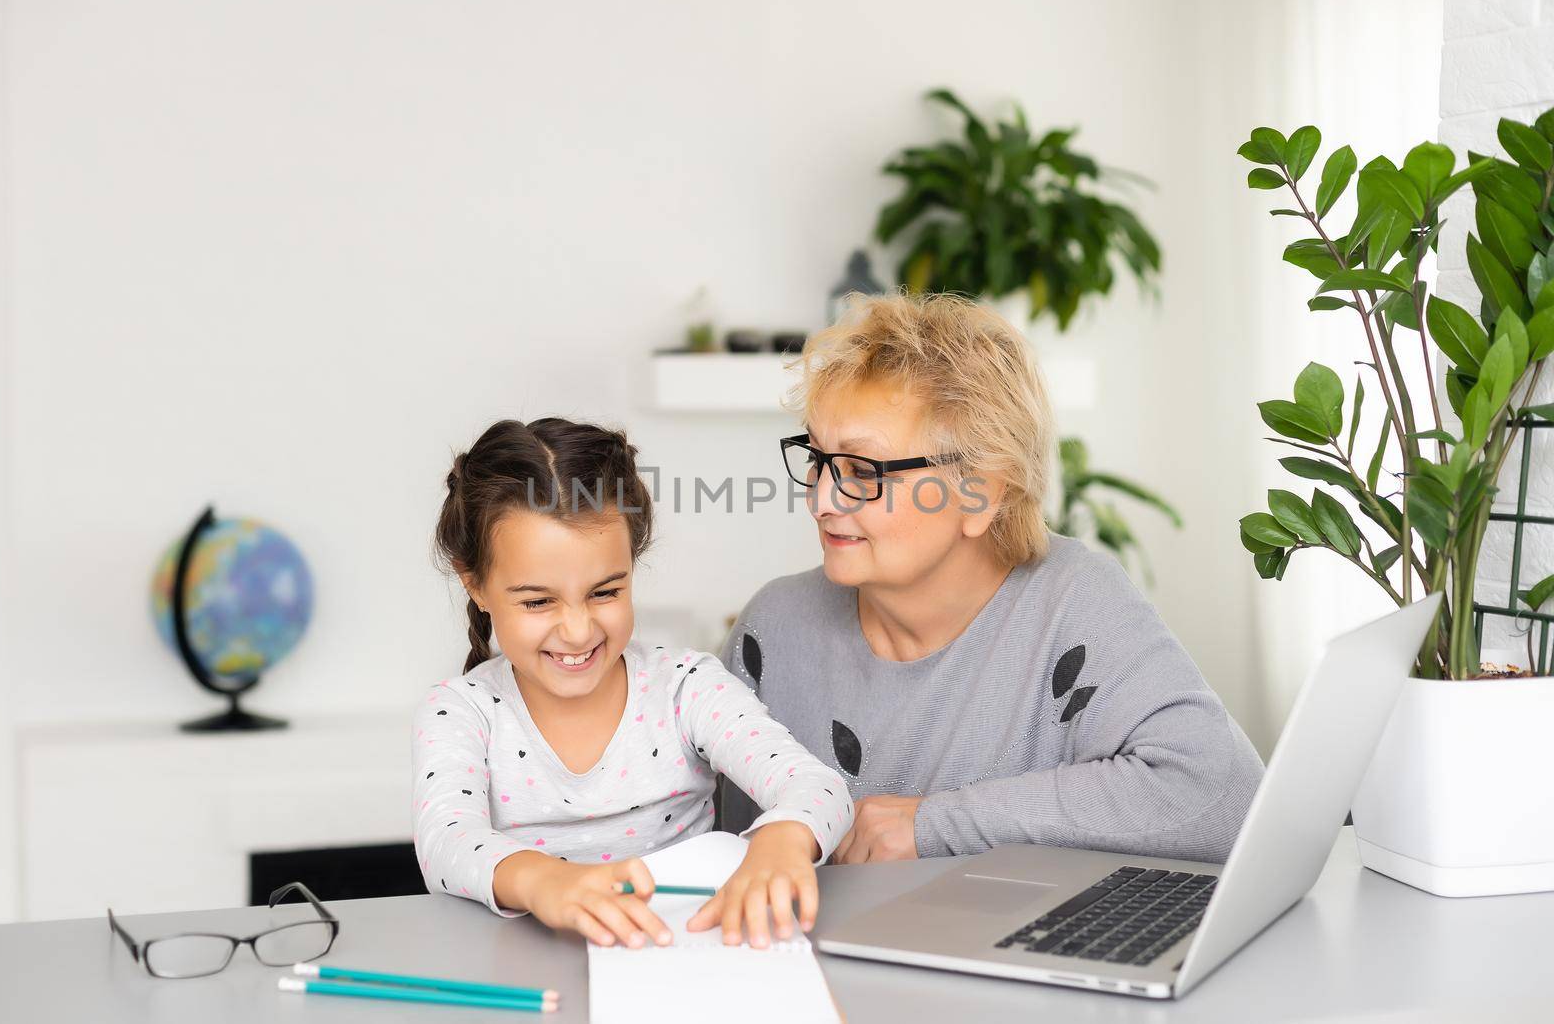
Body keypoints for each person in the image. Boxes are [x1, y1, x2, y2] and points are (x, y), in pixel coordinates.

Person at [719, 293, 1263, 865]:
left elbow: (1221, 797)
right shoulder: (773, 631)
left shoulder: (1074, 600)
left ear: (981, 491)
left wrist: (932, 824)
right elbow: (702, 849)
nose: (822, 499)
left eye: (862, 470)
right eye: (817, 457)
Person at [413, 417, 851, 950]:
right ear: (475, 584)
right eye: (537, 601)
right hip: (527, 963)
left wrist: (782, 840)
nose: (577, 630)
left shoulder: (685, 687)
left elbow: (819, 786)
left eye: (605, 592)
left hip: (686, 955)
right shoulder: (461, 711)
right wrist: (545, 881)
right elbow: (445, 845)